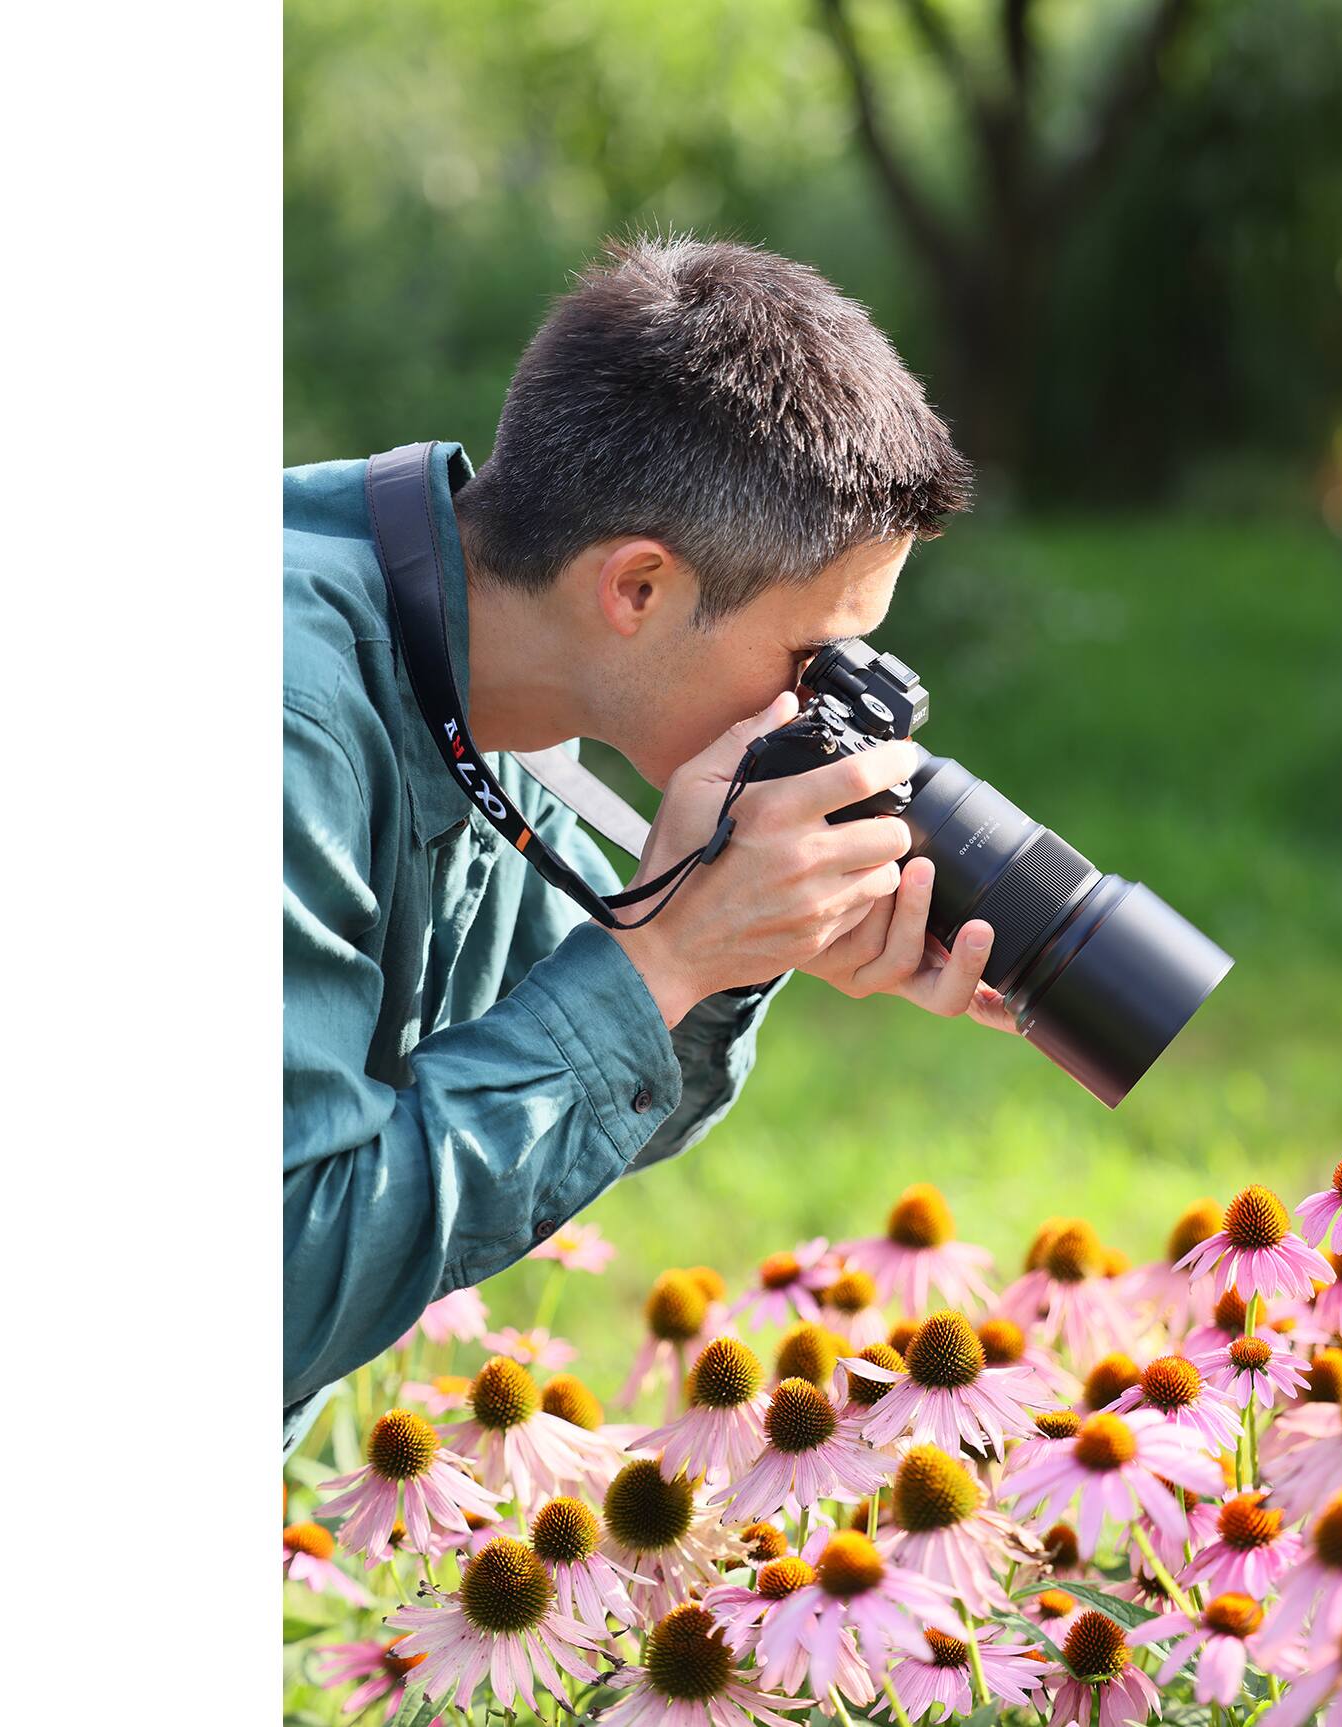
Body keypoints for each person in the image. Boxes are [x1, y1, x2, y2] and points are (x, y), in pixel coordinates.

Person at [283, 236, 1016, 1451]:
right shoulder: (287, 720)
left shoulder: (497, 667)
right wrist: (659, 958)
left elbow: (540, 1130)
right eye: (809, 661)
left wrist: (725, 949)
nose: (817, 713)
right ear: (636, 590)